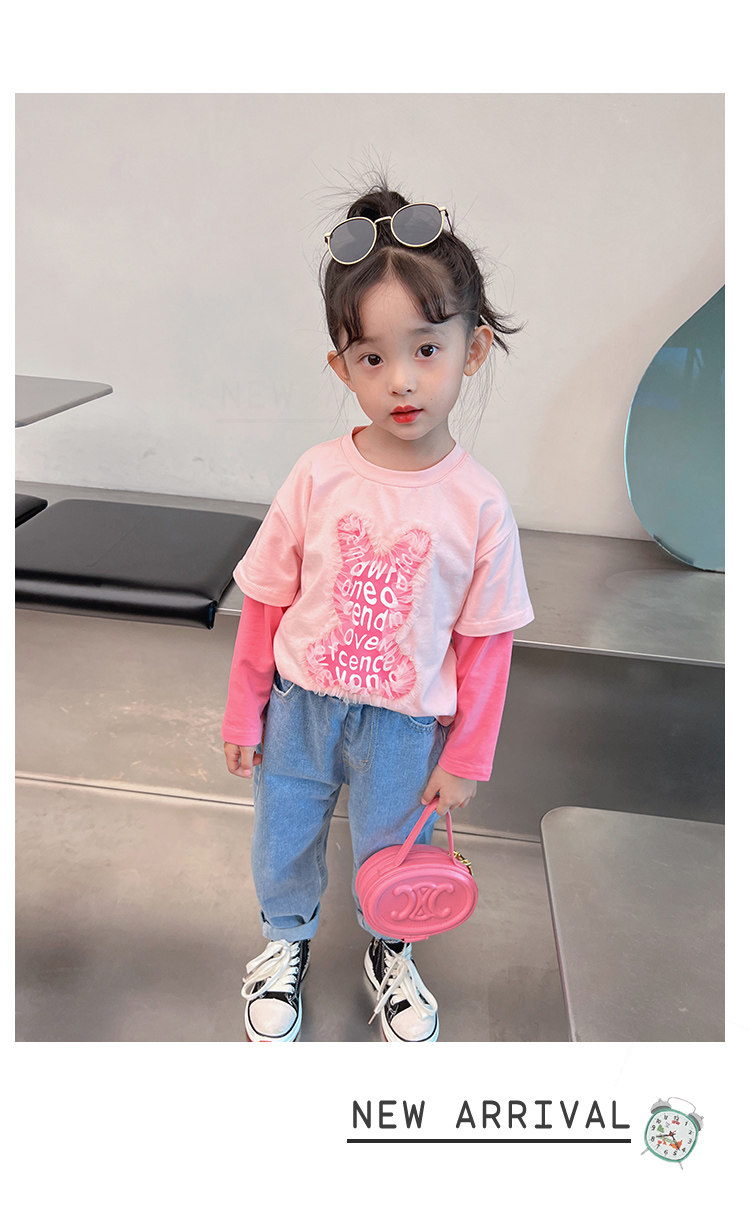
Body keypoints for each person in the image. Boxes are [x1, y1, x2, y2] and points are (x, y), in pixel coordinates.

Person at [222, 181, 534, 1043]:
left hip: (405, 727)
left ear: (474, 347)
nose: (401, 380)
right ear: (341, 367)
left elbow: (487, 645)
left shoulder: (480, 505)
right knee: (283, 836)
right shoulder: (317, 475)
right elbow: (266, 599)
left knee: (396, 850)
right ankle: (284, 940)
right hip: (300, 711)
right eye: (371, 358)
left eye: (427, 348)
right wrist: (244, 706)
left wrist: (466, 755)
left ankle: (391, 947)